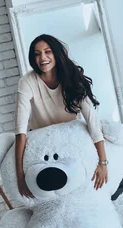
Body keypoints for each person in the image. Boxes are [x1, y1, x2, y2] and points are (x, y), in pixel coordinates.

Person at [14, 34, 108, 198]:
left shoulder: (72, 77)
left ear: (56, 53)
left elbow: (92, 121)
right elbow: (20, 130)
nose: (42, 57)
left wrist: (103, 162)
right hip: (43, 143)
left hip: (70, 141)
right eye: (37, 54)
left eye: (47, 51)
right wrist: (20, 175)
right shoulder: (27, 81)